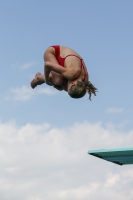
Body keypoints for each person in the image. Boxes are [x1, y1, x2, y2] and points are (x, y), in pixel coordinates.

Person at [31, 45, 97, 100]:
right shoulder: (71, 73)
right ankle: (39, 77)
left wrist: (63, 87)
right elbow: (47, 65)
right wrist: (47, 81)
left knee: (63, 86)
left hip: (64, 59)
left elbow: (68, 87)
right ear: (73, 83)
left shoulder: (84, 81)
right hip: (52, 52)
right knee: (58, 80)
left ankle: (54, 82)